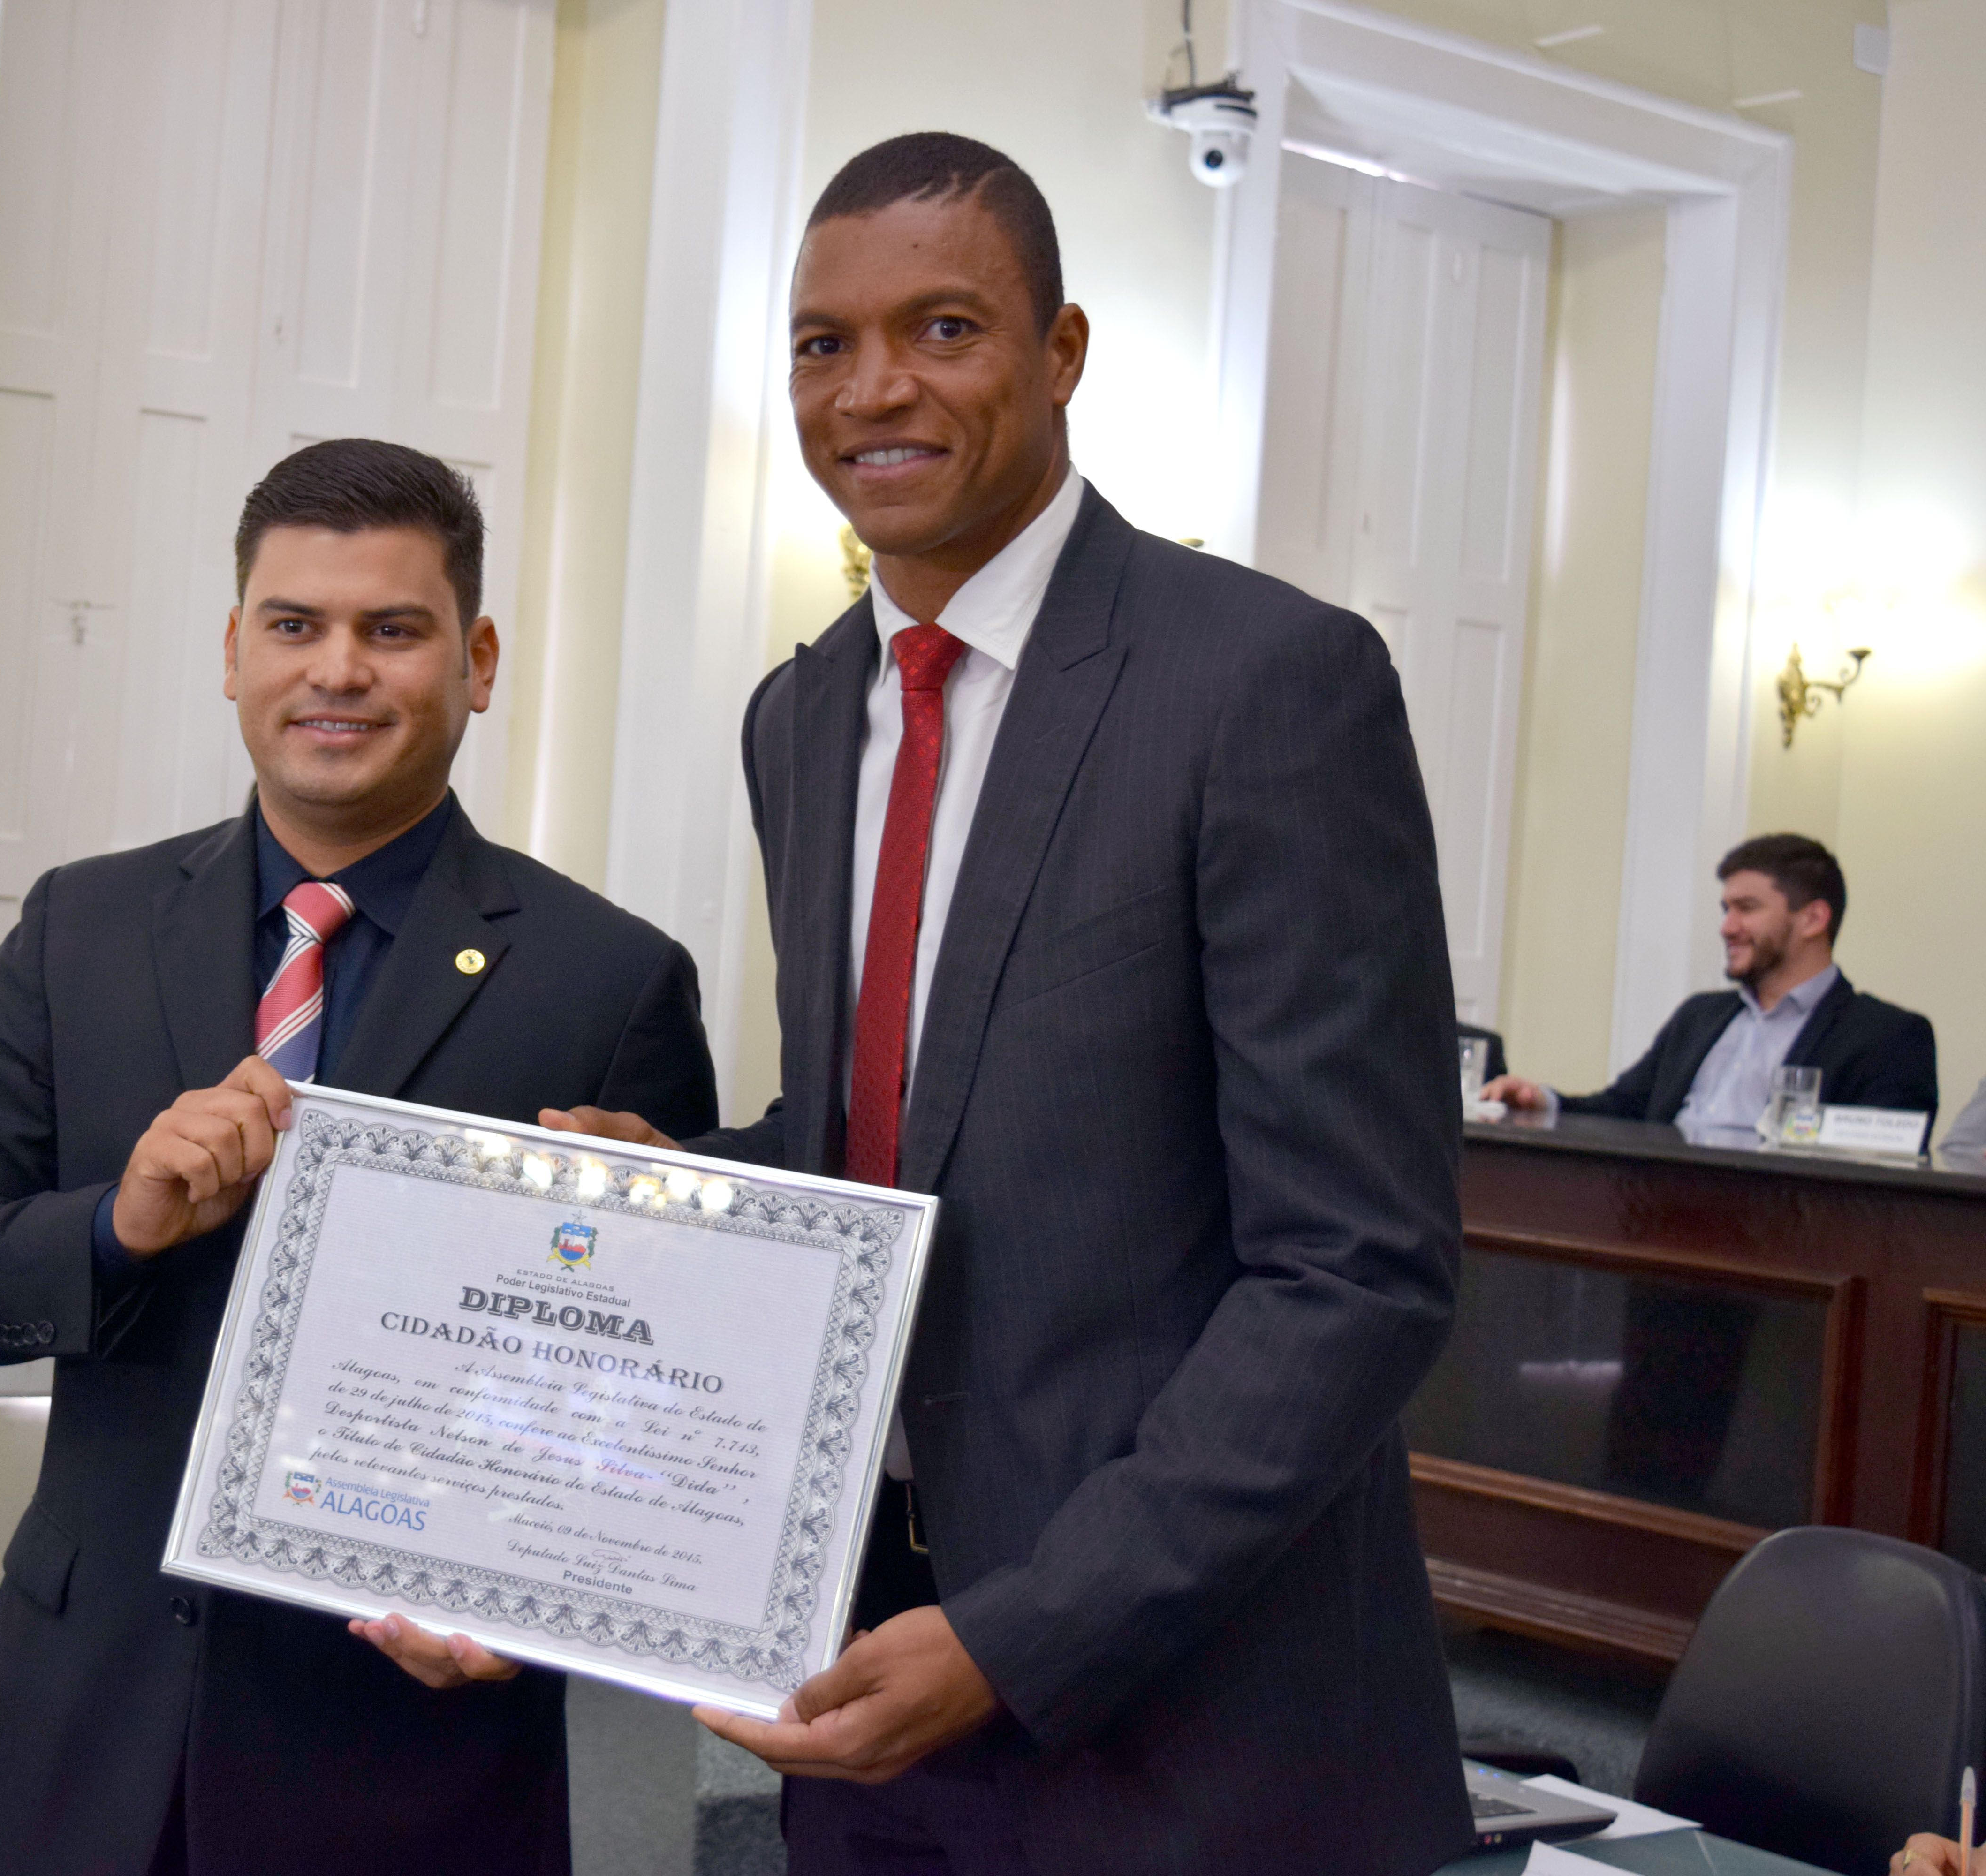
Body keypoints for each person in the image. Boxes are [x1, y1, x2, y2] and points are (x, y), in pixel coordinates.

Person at [547, 133, 1467, 1873]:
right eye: (823, 342)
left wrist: (1025, 1633)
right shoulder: (802, 714)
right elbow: (898, 1139)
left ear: (1062, 353)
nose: (870, 387)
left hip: (1185, 1710)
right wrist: (684, 1180)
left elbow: (1355, 1269)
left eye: (943, 327)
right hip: (858, 1664)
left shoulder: (1265, 682)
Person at [0, 439, 719, 1876]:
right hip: (81, 1740)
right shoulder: (82, 928)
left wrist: (531, 1598)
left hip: (402, 1766)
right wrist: (112, 1227)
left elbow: (642, 1406)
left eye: (392, 629)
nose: (337, 670)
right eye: (293, 625)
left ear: (477, 658)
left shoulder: (605, 982)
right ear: (231, 649)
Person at [1482, 834, 1939, 1148]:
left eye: (1747, 908)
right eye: (1726, 909)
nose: (1727, 927)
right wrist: (1543, 1101)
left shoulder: (1888, 1036)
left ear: (1814, 919)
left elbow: (1881, 1173)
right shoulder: (1700, 1017)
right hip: (1659, 1220)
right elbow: (1627, 1109)